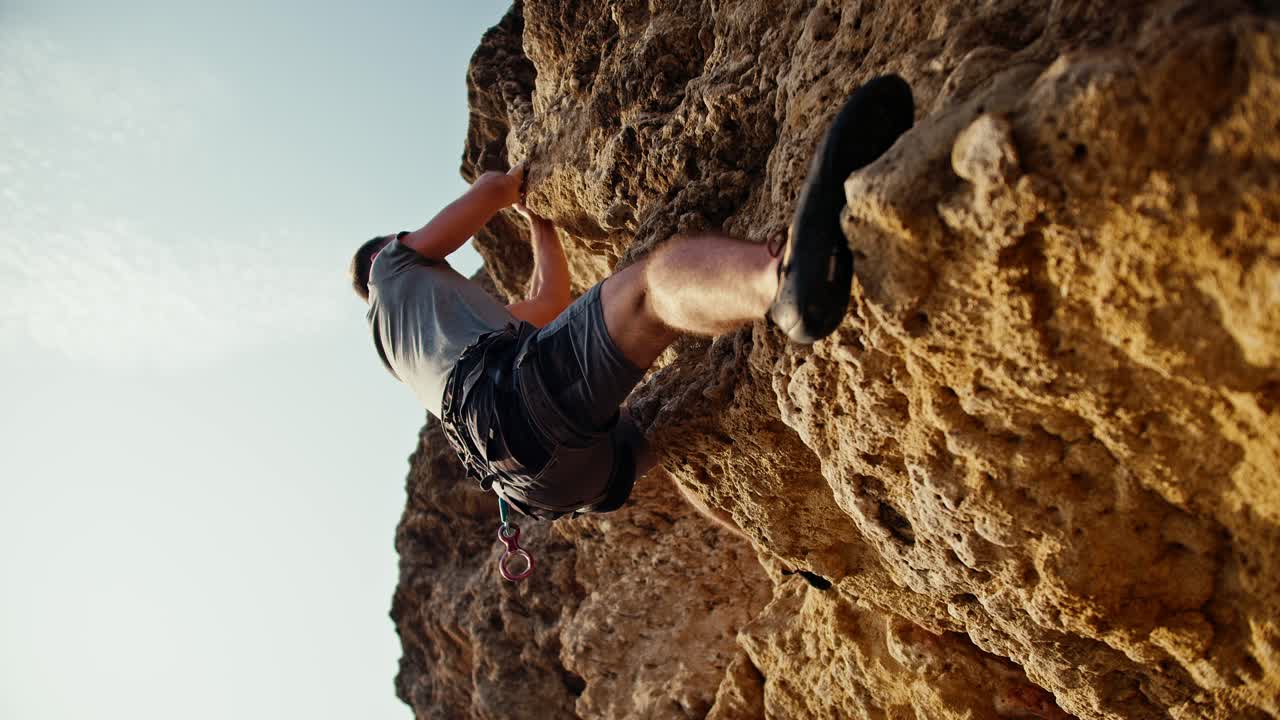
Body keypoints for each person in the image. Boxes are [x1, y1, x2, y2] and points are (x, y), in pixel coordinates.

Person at [350, 75, 915, 520]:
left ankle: (786, 550)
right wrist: (515, 186)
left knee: (667, 428)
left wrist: (539, 223)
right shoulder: (390, 268)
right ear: (383, 256)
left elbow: (547, 303)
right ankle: (783, 279)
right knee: (648, 291)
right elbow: (489, 191)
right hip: (513, 407)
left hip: (535, 484)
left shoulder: (420, 346)